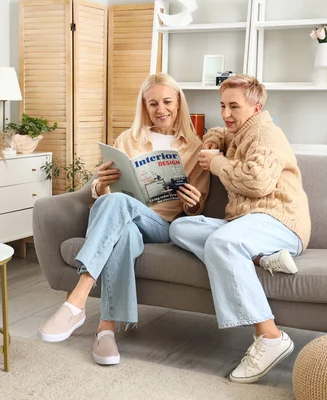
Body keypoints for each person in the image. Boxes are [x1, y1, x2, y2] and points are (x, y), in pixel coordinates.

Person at [38, 72, 210, 365]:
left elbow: (197, 209)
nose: (161, 109)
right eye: (152, 103)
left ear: (179, 103)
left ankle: (77, 300)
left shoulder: (196, 147)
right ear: (144, 106)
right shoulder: (127, 140)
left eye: (167, 101)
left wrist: (192, 203)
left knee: (119, 204)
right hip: (123, 220)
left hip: (159, 226)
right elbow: (102, 191)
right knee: (124, 229)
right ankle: (106, 332)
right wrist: (100, 183)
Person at [169, 74, 311, 384]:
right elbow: (224, 131)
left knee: (221, 243)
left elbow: (258, 183)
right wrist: (215, 138)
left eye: (234, 106)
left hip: (279, 220)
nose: (225, 113)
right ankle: (263, 258)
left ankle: (270, 336)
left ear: (257, 108)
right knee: (180, 228)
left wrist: (218, 163)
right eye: (222, 105)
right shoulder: (243, 129)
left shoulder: (266, 135)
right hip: (248, 224)